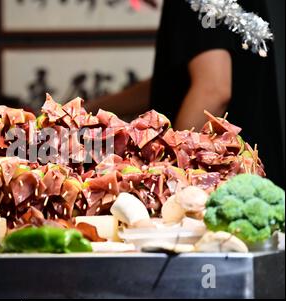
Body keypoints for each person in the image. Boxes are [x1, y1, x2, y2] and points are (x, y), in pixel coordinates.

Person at [88, 0, 284, 188]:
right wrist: (91, 110)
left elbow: (213, 91)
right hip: (255, 175)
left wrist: (167, 171)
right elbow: (173, 85)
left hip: (222, 184)